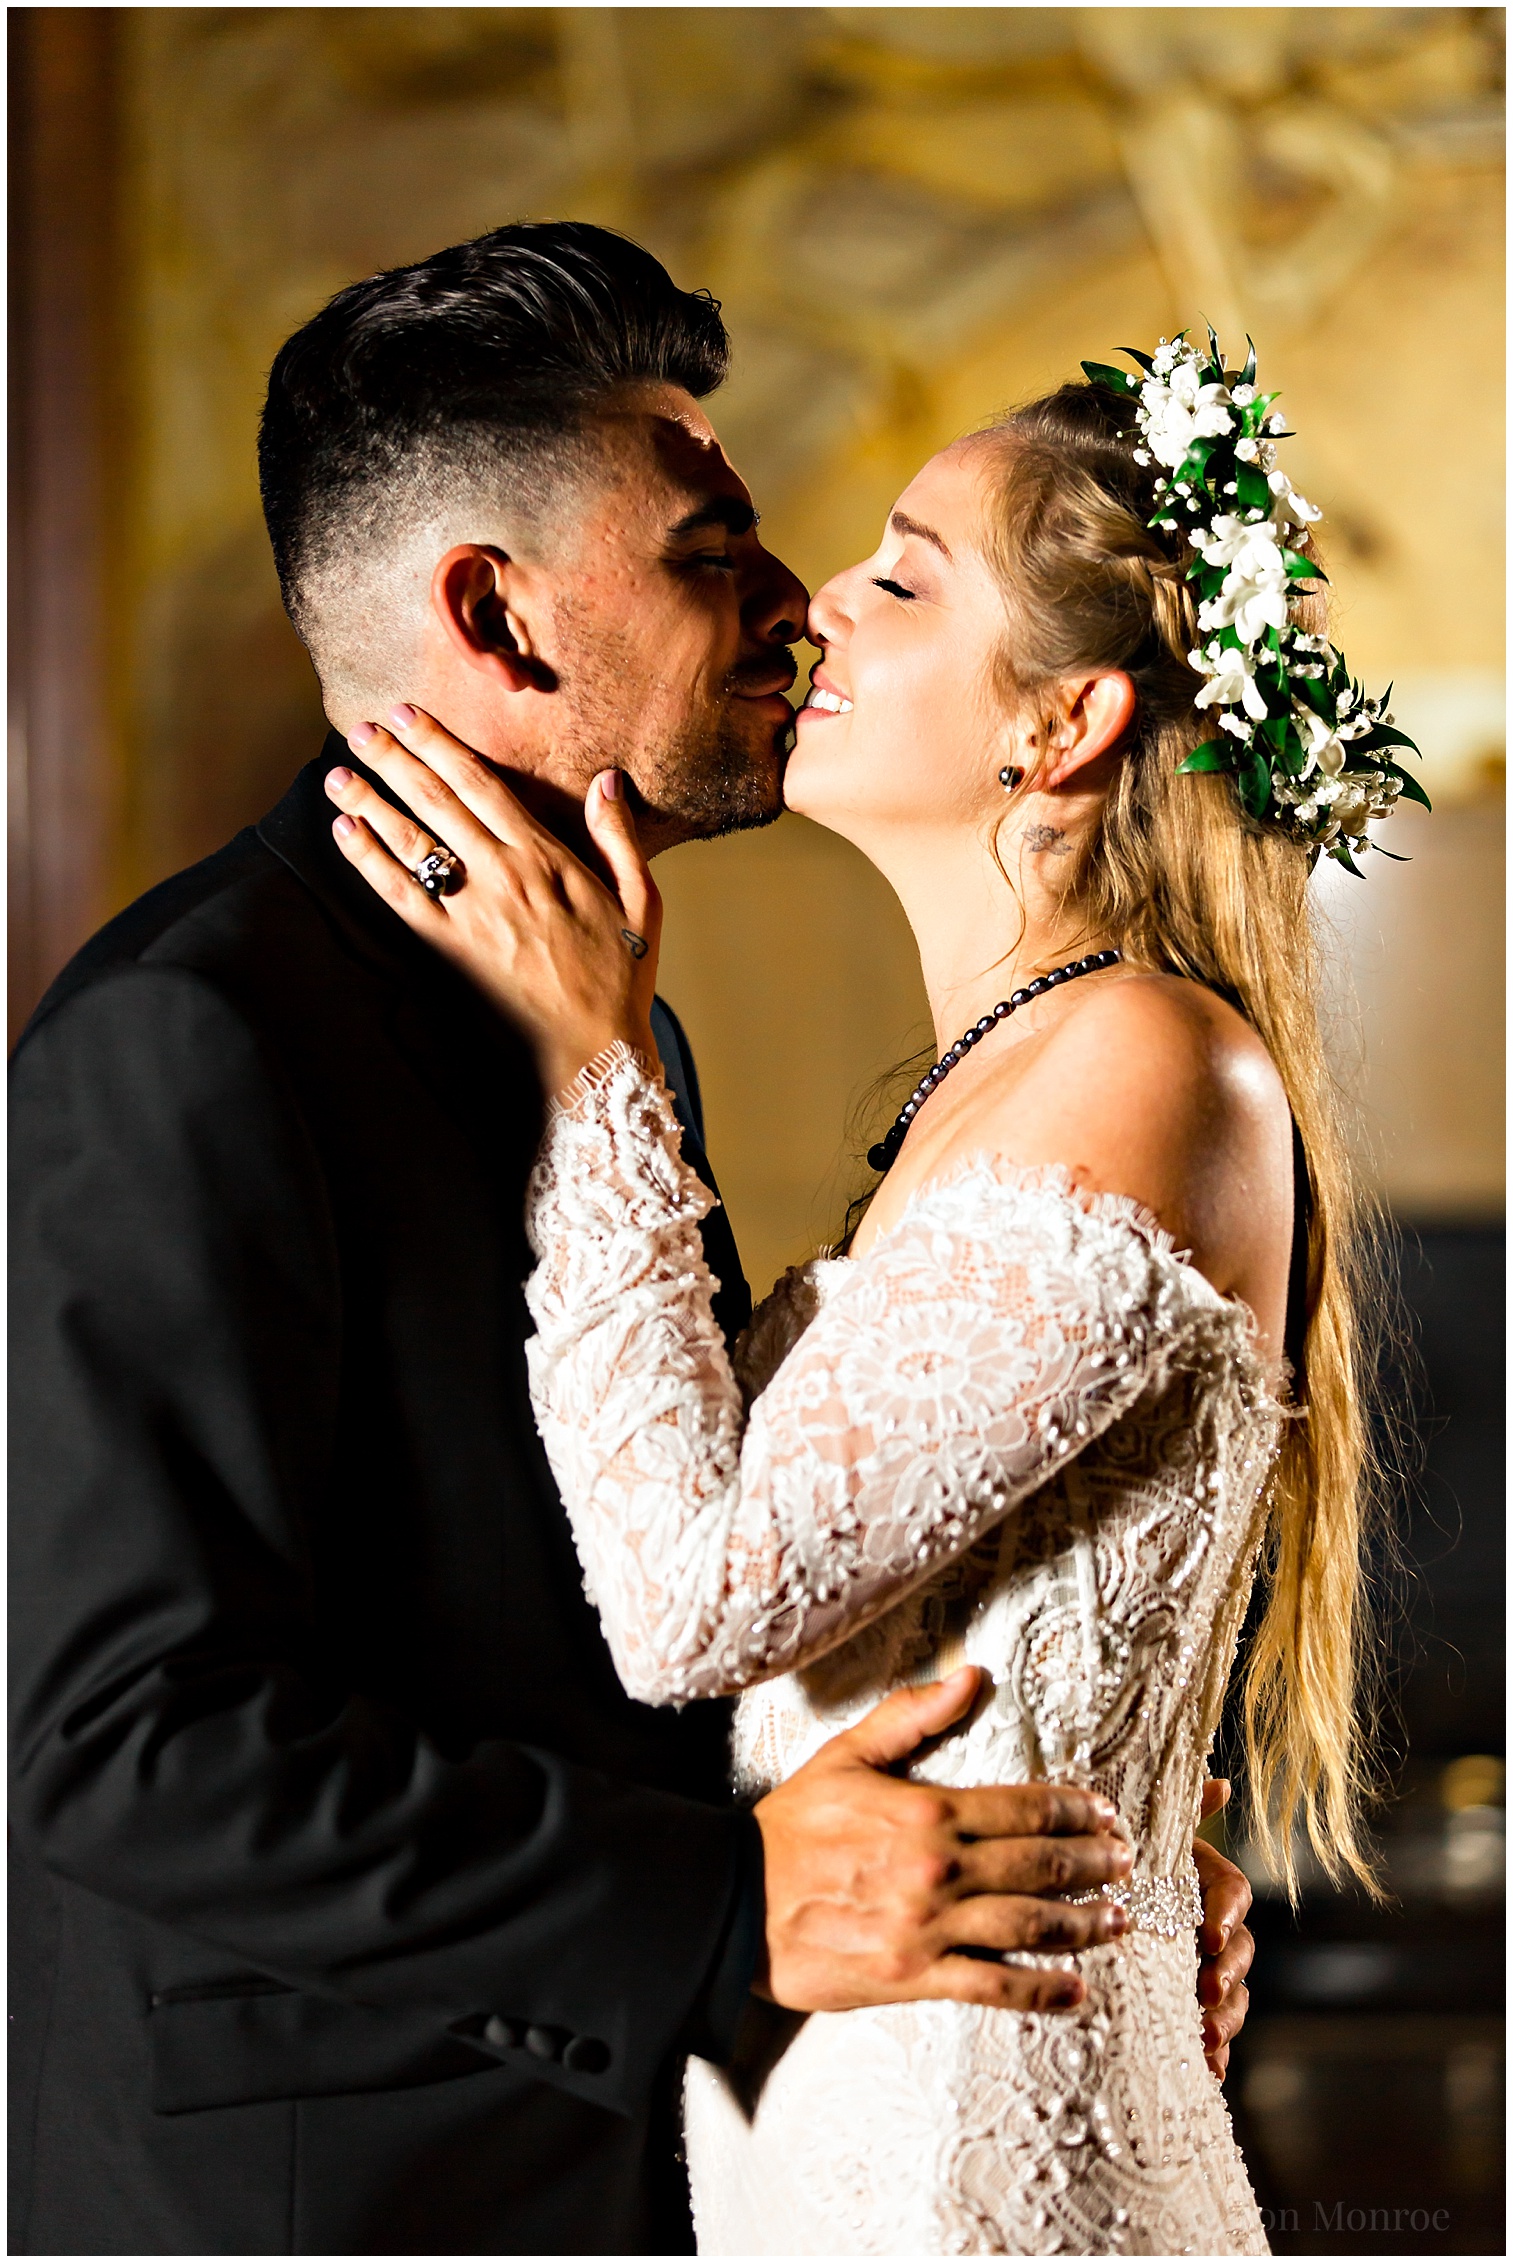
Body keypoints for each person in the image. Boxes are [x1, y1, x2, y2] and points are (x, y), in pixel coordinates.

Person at [8, 227, 1255, 2258]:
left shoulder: (613, 1012)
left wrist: (1056, 1808)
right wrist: (730, 1906)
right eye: (709, 550)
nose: (793, 607)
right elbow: (126, 1740)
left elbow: (680, 1566)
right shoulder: (188, 1035)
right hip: (340, 2196)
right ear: (493, 615)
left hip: (683, 2164)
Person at [325, 319, 1413, 2252]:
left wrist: (591, 1063)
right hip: (822, 2117)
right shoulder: (1003, 1080)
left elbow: (692, 1601)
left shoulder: (1147, 1065)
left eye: (904, 575)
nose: (822, 595)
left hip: (978, 2171)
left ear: (1056, 725)